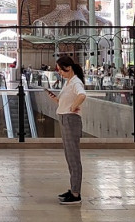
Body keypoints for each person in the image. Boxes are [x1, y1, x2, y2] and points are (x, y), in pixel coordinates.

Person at [46, 55, 86, 205]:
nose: (59, 73)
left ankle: (76, 194)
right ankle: (73, 188)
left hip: (70, 120)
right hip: (65, 118)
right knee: (69, 157)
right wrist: (56, 99)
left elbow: (82, 95)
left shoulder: (75, 82)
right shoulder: (68, 82)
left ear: (67, 68)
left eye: (60, 70)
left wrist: (73, 107)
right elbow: (65, 100)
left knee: (73, 158)